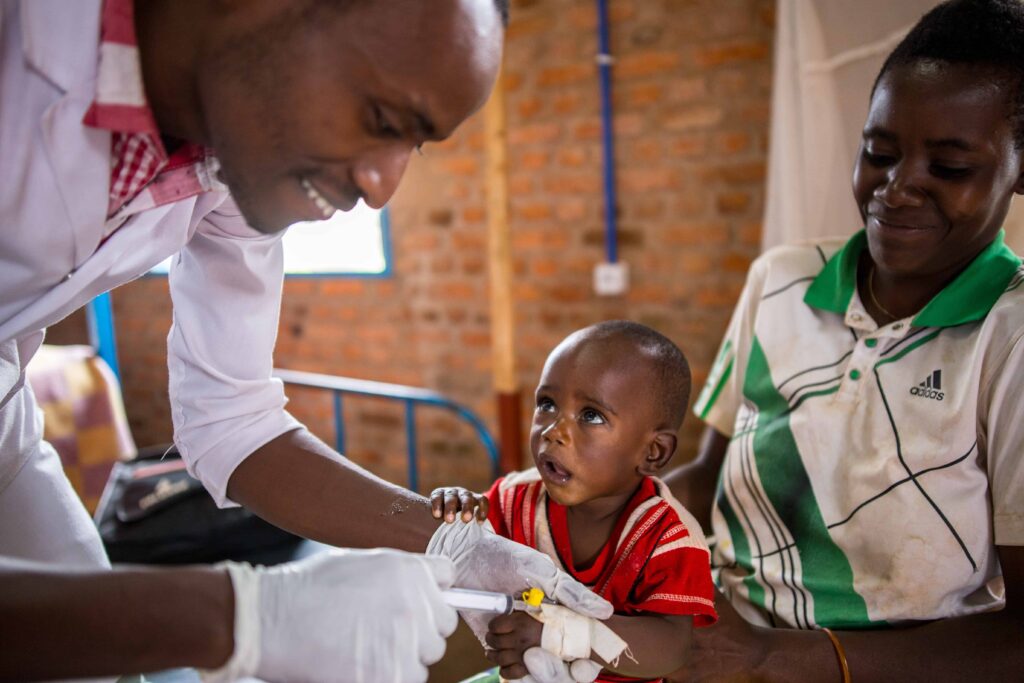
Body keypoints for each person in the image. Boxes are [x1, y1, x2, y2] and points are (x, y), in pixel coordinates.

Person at [0, 1, 613, 681]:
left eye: (413, 145)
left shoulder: (231, 152)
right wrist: (236, 617)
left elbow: (232, 419)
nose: (383, 190)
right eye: (382, 120)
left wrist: (452, 541)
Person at [664, 1, 1024, 680]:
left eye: (949, 168)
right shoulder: (781, 280)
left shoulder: (1010, 339)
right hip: (722, 649)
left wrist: (789, 657)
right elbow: (707, 479)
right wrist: (605, 517)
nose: (897, 188)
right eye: (879, 153)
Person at [431, 321, 718, 682]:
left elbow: (671, 647)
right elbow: (469, 538)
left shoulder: (668, 537)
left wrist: (562, 633)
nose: (554, 431)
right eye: (547, 404)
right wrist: (460, 505)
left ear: (653, 452)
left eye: (591, 415)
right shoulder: (517, 497)